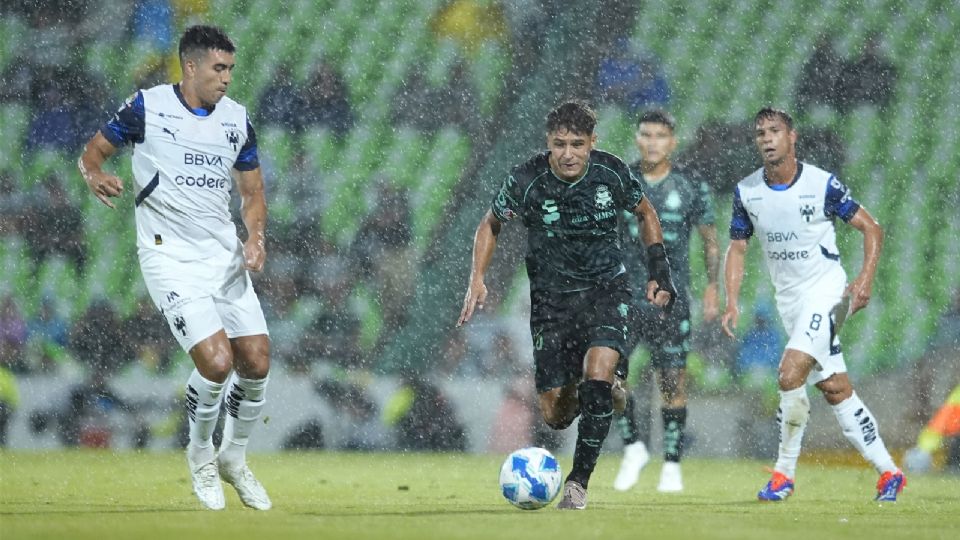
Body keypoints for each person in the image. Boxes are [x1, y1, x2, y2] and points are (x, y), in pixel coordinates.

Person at [77, 25, 272, 511]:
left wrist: (256, 237)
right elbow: (93, 152)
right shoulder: (148, 106)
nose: (227, 78)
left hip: (222, 255)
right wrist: (95, 175)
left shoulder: (236, 120)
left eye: (230, 69)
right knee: (216, 362)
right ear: (191, 66)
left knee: (257, 361)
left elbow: (251, 193)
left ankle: (234, 458)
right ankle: (201, 454)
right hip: (169, 257)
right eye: (218, 68)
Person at [457, 100, 676, 510]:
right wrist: (477, 278)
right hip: (551, 304)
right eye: (560, 144)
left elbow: (645, 212)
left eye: (578, 144)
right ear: (549, 143)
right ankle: (600, 390)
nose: (568, 153)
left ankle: (578, 482)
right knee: (555, 414)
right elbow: (491, 222)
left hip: (605, 291)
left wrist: (658, 269)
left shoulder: (611, 172)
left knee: (596, 375)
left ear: (593, 142)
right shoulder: (526, 178)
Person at [720, 107, 905, 502]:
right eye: (760, 133)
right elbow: (737, 248)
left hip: (829, 292)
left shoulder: (822, 184)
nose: (767, 139)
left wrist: (864, 279)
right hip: (791, 304)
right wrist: (732, 301)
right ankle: (889, 472)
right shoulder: (747, 191)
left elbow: (871, 227)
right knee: (835, 388)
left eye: (774, 131)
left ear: (792, 137)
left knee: (789, 375)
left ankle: (783, 474)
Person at [612, 110, 719, 493]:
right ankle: (633, 447)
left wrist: (711, 287)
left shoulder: (691, 185)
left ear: (672, 141)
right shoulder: (619, 182)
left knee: (672, 381)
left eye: (661, 135)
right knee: (611, 377)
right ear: (637, 138)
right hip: (626, 299)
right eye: (646, 134)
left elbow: (709, 238)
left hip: (670, 302)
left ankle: (671, 465)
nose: (653, 141)